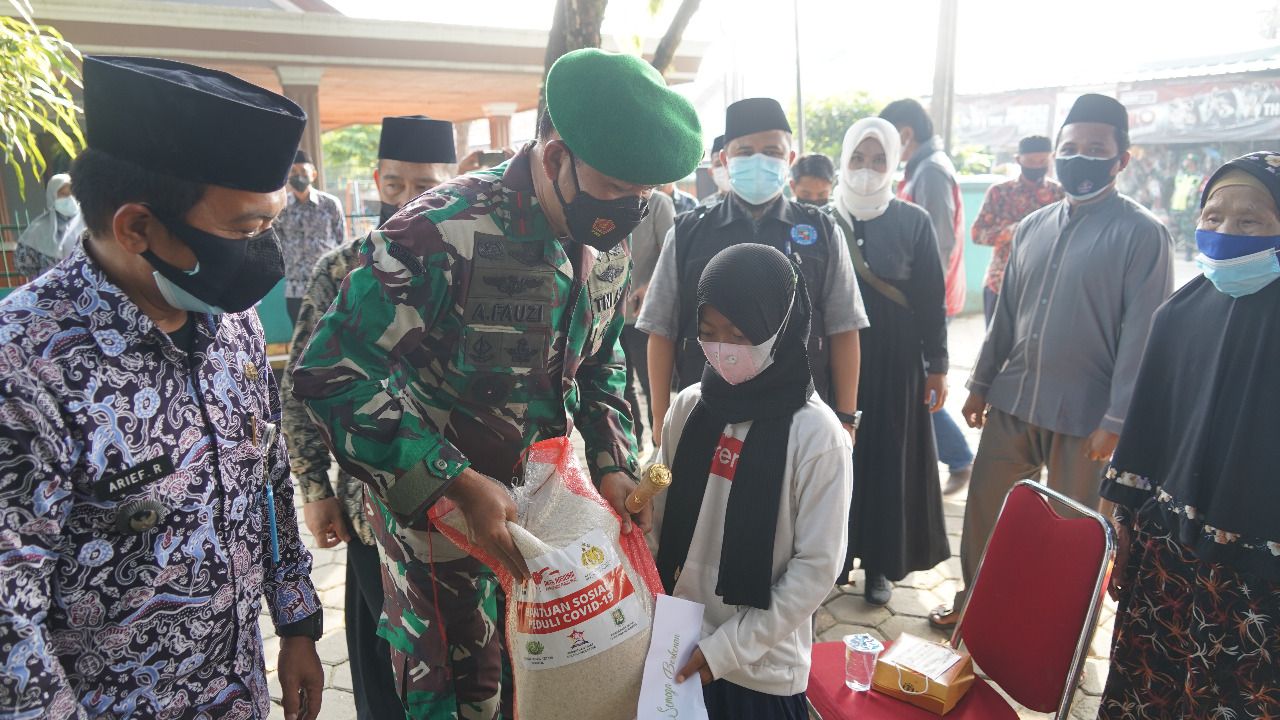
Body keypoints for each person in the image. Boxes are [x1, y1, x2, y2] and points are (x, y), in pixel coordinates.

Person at [291, 48, 703, 719]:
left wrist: (612, 465)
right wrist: (454, 481)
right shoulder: (440, 230)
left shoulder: (610, 242)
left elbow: (601, 365)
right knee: (463, 702)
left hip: (551, 522)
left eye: (644, 197)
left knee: (549, 693)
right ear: (555, 154)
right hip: (442, 539)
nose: (627, 211)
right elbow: (331, 374)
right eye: (614, 188)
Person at [0, 55, 323, 720]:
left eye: (270, 225)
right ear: (137, 227)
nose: (262, 250)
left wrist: (297, 625)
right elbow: (9, 625)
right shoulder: (25, 368)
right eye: (244, 230)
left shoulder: (232, 326)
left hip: (239, 691)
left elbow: (269, 474)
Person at [929, 93, 1174, 632]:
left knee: (1074, 533)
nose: (1080, 158)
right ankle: (976, 605)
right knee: (986, 516)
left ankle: (1060, 635)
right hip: (1014, 403)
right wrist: (981, 384)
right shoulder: (1033, 227)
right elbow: (1007, 317)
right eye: (1071, 148)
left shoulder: (1143, 235)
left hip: (1087, 422)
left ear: (1122, 159)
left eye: (1096, 148)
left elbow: (1145, 340)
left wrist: (1117, 424)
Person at [281, 114, 457, 720]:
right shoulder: (343, 268)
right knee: (384, 674)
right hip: (371, 507)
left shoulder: (471, 267)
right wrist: (314, 489)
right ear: (378, 181)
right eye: (397, 184)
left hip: (461, 507)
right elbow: (302, 387)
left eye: (428, 185)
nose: (411, 200)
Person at [1098, 151, 1280, 720]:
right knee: (1149, 687)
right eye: (1213, 216)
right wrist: (1117, 526)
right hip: (1165, 559)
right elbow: (1145, 436)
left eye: (1250, 220)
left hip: (1257, 577)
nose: (1226, 232)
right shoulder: (1179, 314)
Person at [650, 243, 852, 720]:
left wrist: (727, 651)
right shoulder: (690, 407)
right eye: (707, 332)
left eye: (740, 334)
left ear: (780, 329)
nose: (723, 349)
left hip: (760, 668)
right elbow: (658, 519)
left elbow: (817, 567)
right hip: (677, 644)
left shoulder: (817, 435)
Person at [639, 97, 868, 454]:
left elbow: (844, 327)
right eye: (745, 151)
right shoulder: (688, 233)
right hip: (707, 412)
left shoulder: (821, 231)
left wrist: (845, 417)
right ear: (726, 161)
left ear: (789, 160)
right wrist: (659, 417)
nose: (759, 160)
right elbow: (661, 329)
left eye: (772, 151)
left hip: (800, 417)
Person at [827, 117, 950, 606]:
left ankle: (880, 563)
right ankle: (831, 559)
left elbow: (930, 300)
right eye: (858, 158)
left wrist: (937, 364)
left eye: (879, 159)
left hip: (895, 360)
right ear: (844, 159)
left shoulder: (912, 221)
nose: (867, 168)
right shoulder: (818, 218)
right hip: (834, 354)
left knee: (886, 458)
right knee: (834, 455)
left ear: (896, 162)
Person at [880, 98, 974, 493]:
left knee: (921, 384)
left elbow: (936, 246)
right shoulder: (923, 168)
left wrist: (920, 304)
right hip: (922, 300)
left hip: (925, 302)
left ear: (903, 134)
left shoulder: (931, 172)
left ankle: (959, 458)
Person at [970, 135, 1064, 324]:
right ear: (1017, 160)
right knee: (997, 348)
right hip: (1001, 283)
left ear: (1051, 159)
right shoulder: (999, 192)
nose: (1037, 166)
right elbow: (977, 234)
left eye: (1042, 161)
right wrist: (1012, 231)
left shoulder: (1058, 194)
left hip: (1045, 286)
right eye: (1030, 161)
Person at [621, 188, 676, 448]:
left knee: (650, 382)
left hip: (643, 313)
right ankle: (633, 446)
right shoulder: (603, 195)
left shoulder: (658, 204)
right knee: (620, 385)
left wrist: (649, 287)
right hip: (609, 314)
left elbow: (671, 253)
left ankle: (661, 445)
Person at [276, 148, 347, 325]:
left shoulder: (329, 204)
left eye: (303, 171)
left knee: (331, 333)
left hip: (327, 282)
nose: (298, 176)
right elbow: (277, 242)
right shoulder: (281, 207)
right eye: (293, 171)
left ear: (313, 174)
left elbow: (341, 240)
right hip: (295, 287)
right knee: (301, 337)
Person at [14, 173, 86, 279]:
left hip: (85, 289)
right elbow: (24, 264)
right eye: (63, 193)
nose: (70, 198)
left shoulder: (90, 224)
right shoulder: (38, 228)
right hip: (50, 291)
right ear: (52, 196)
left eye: (73, 193)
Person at [699, 134, 730, 207]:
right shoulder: (705, 206)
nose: (725, 167)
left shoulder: (753, 204)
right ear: (711, 172)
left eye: (728, 162)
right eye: (719, 164)